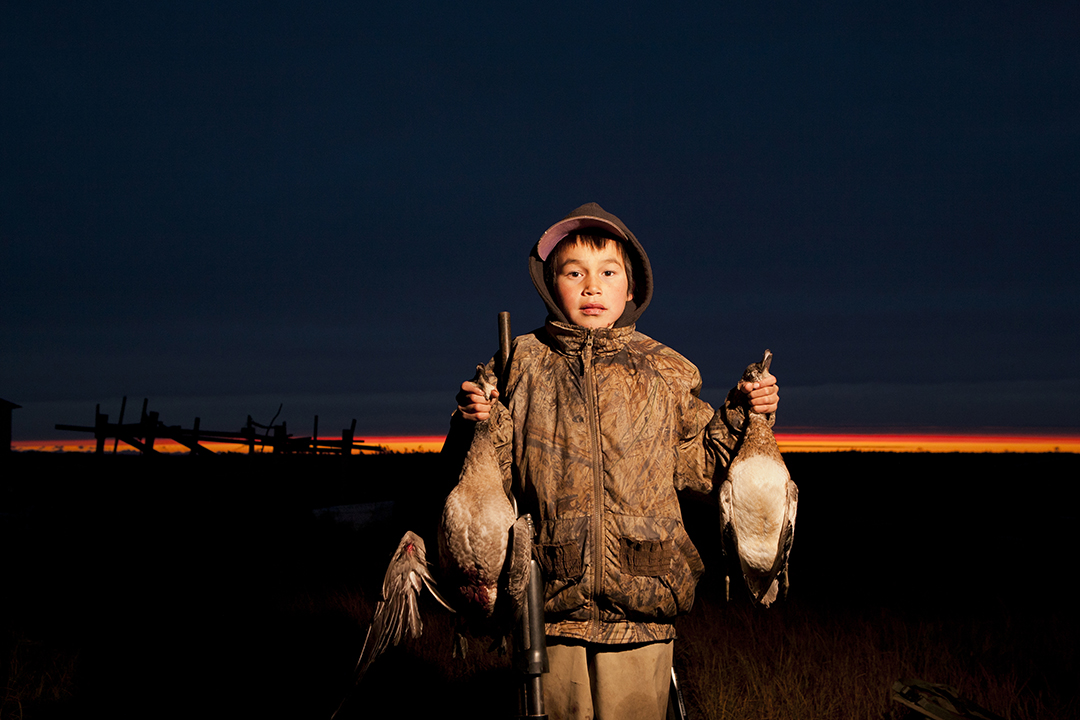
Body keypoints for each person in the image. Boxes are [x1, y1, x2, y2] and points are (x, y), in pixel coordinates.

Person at [450, 202, 779, 720]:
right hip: (550, 601)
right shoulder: (519, 363)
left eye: (608, 273)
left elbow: (702, 469)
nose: (591, 287)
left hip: (645, 599)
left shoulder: (665, 369)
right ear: (548, 285)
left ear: (631, 289)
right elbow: (487, 475)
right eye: (573, 273)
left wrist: (742, 415)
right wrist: (478, 418)